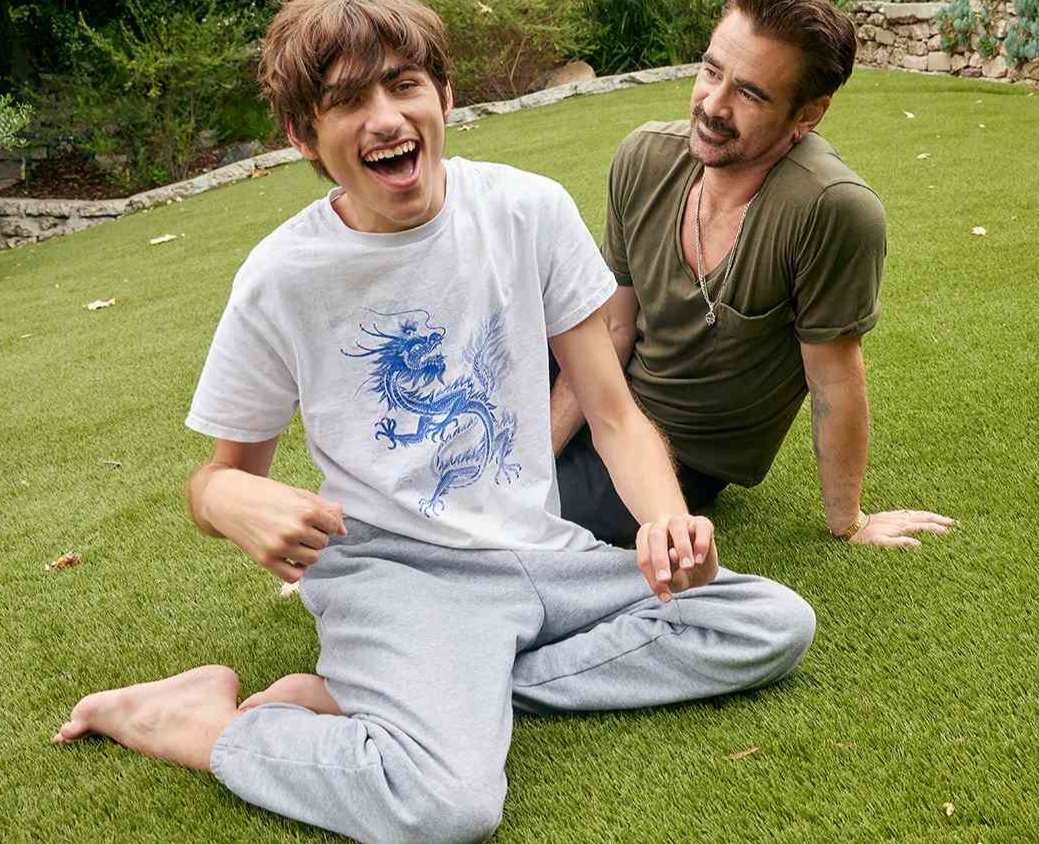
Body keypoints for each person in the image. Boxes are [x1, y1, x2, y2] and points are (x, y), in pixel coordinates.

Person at [51, 2, 815, 843]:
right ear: (306, 136)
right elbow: (216, 479)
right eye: (346, 102)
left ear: (442, 95)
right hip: (399, 575)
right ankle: (198, 723)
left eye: (403, 84)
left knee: (770, 623)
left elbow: (612, 413)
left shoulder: (529, 211)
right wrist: (231, 502)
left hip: (539, 551)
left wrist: (668, 517)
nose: (385, 118)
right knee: (447, 809)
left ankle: (422, 694)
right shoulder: (281, 279)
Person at [550, 0, 956, 548]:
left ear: (807, 115)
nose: (712, 106)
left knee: (541, 516)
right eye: (711, 71)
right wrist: (534, 453)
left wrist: (850, 521)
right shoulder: (644, 157)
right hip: (606, 381)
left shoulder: (830, 210)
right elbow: (612, 328)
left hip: (681, 446)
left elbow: (833, 377)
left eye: (750, 93)